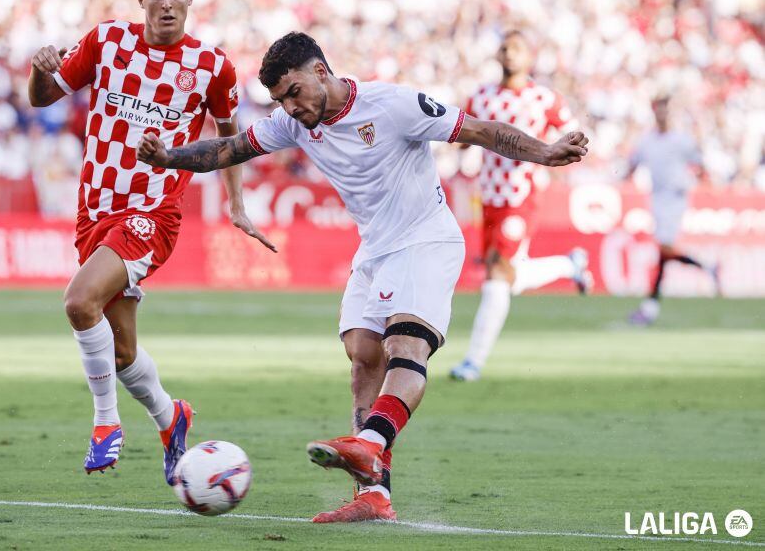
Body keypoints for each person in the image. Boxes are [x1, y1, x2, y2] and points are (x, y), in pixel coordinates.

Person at [137, 31, 589, 521]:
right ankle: (376, 496)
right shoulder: (294, 124)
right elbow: (231, 149)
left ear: (320, 72)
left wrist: (544, 152)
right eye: (280, 100)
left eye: (294, 92)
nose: (290, 107)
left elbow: (478, 130)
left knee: (406, 345)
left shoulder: (393, 104)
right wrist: (168, 157)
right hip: (374, 249)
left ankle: (371, 442)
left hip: (426, 239)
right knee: (363, 357)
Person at [27, 0, 272, 479]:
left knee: (78, 301)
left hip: (151, 216)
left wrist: (236, 204)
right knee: (120, 353)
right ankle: (171, 415)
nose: (165, 4)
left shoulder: (213, 67)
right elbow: (44, 98)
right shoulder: (107, 40)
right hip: (95, 212)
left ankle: (105, 423)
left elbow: (231, 141)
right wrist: (38, 69)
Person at [450, 30, 592, 382]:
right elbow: (463, 137)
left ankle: (473, 362)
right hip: (490, 196)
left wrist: (567, 145)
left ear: (530, 57)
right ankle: (569, 265)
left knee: (497, 275)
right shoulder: (481, 96)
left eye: (517, 49)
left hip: (522, 196)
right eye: (504, 48)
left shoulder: (544, 98)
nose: (509, 54)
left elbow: (574, 134)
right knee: (506, 277)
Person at [626, 96, 719, 325]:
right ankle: (706, 269)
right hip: (657, 199)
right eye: (660, 110)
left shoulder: (681, 140)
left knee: (664, 248)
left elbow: (699, 162)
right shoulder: (647, 141)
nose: (663, 115)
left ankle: (651, 305)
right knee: (663, 254)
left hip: (675, 198)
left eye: (666, 111)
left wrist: (705, 179)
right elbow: (632, 164)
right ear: (654, 113)